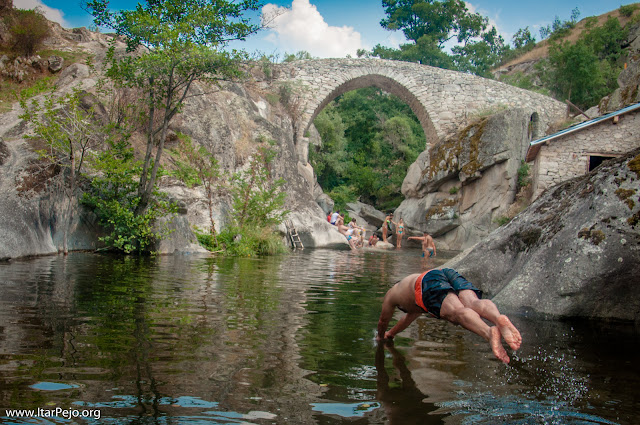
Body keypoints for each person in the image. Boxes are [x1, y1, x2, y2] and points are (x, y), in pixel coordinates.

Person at [376, 268, 522, 364]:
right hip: (444, 272)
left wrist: (380, 337)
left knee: (456, 312)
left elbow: (383, 321)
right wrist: (391, 334)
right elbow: (406, 320)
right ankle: (497, 318)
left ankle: (489, 332)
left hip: (426, 283)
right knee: (472, 302)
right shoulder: (409, 296)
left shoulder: (391, 295)